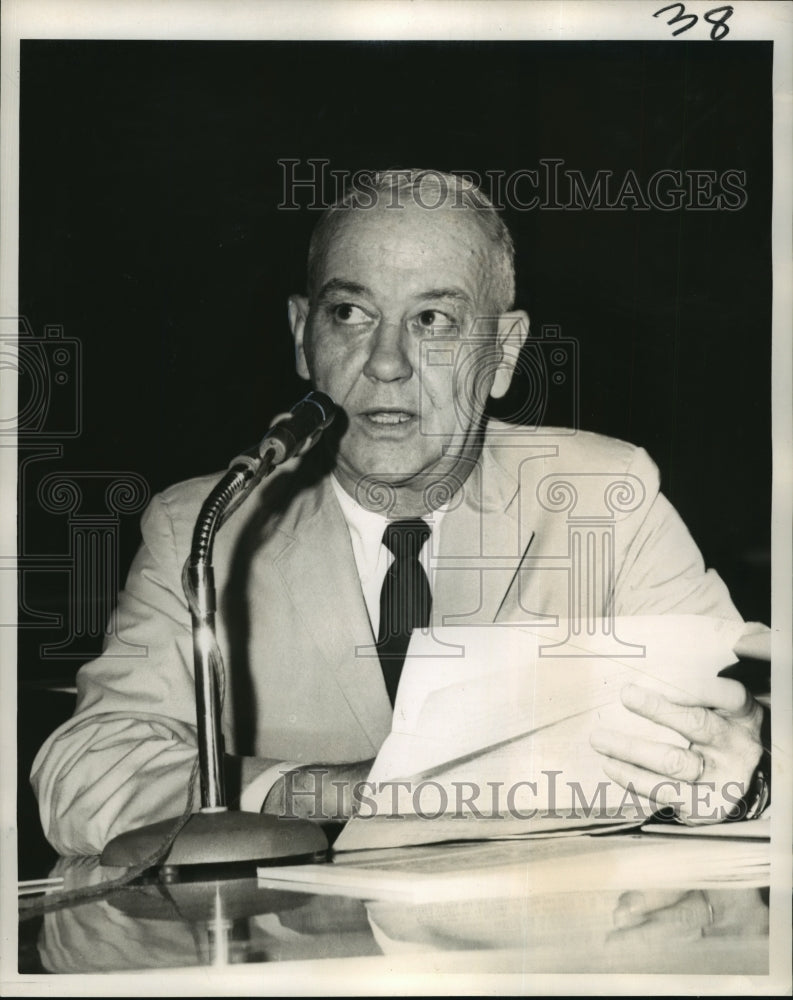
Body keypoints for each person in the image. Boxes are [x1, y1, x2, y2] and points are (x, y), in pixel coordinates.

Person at [31, 170, 768, 856]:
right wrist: (321, 792)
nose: (386, 362)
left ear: (505, 351)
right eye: (349, 313)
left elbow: (733, 715)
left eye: (434, 320)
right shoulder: (204, 529)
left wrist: (742, 772)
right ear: (301, 335)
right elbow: (86, 770)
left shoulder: (602, 496)